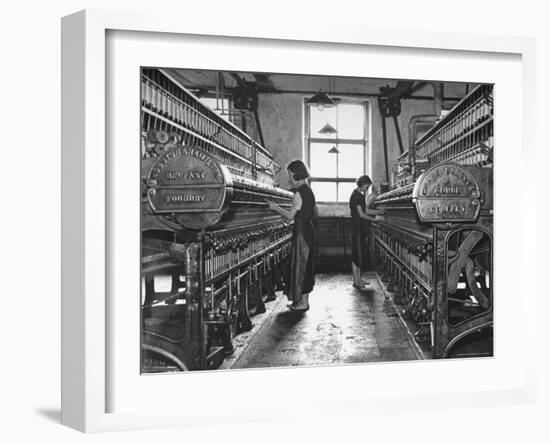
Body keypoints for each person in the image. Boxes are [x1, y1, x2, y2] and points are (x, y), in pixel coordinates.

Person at [266, 160, 316, 312]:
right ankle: (303, 302)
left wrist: (275, 207)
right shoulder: (309, 190)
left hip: (301, 233)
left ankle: (300, 303)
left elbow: (290, 216)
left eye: (289, 174)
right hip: (308, 231)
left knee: (300, 266)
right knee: (306, 267)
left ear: (295, 174)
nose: (289, 178)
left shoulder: (300, 193)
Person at [349, 175, 384, 289]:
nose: (368, 188)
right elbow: (361, 214)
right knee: (356, 255)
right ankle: (356, 281)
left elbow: (366, 210)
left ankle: (359, 279)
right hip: (356, 228)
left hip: (361, 228)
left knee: (360, 254)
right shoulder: (355, 196)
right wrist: (375, 219)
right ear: (363, 184)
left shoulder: (360, 195)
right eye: (367, 186)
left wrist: (379, 211)